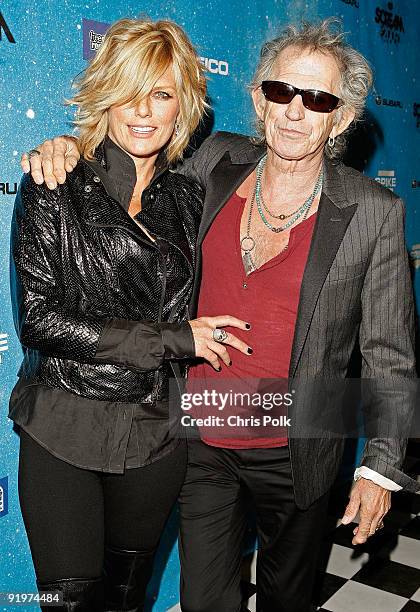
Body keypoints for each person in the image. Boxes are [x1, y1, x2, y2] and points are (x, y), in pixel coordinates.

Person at [22, 18, 419, 612]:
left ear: (340, 118)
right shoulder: (212, 163)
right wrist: (65, 149)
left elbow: (389, 353)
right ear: (259, 99)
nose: (294, 111)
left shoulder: (374, 211)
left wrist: (380, 468)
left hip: (299, 441)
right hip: (200, 436)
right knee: (206, 600)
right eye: (281, 91)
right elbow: (128, 151)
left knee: (288, 598)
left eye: (317, 99)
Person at [11, 17, 252, 612]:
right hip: (64, 426)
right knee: (67, 603)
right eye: (127, 90)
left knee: (128, 598)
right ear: (104, 96)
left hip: (153, 436)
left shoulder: (190, 196)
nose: (142, 111)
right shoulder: (55, 183)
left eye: (162, 93)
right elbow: (41, 320)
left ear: (185, 105)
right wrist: (174, 339)